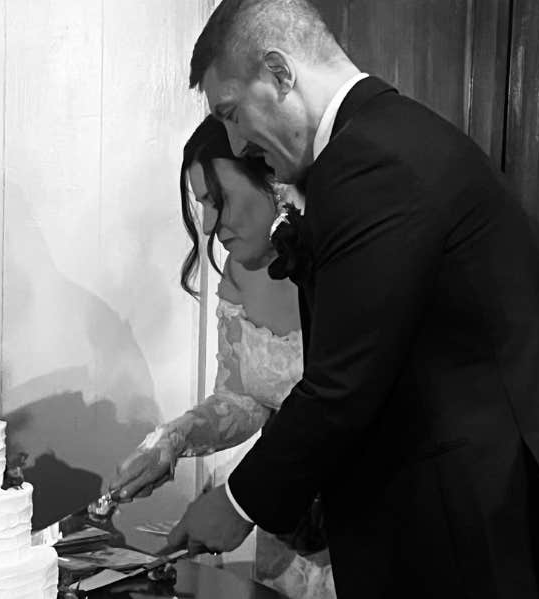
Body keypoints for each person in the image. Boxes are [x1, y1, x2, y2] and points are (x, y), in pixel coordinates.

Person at [162, 1, 539, 598]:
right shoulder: (382, 139)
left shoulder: (371, 161)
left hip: (471, 521)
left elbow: (344, 382)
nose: (236, 141)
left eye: (232, 113)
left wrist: (238, 502)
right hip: (456, 509)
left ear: (280, 74)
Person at [110, 116, 335, 599]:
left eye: (219, 200)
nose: (210, 225)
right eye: (202, 206)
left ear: (271, 179)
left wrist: (240, 501)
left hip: (361, 524)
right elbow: (242, 398)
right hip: (285, 532)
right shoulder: (237, 270)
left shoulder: (338, 267)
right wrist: (174, 439)